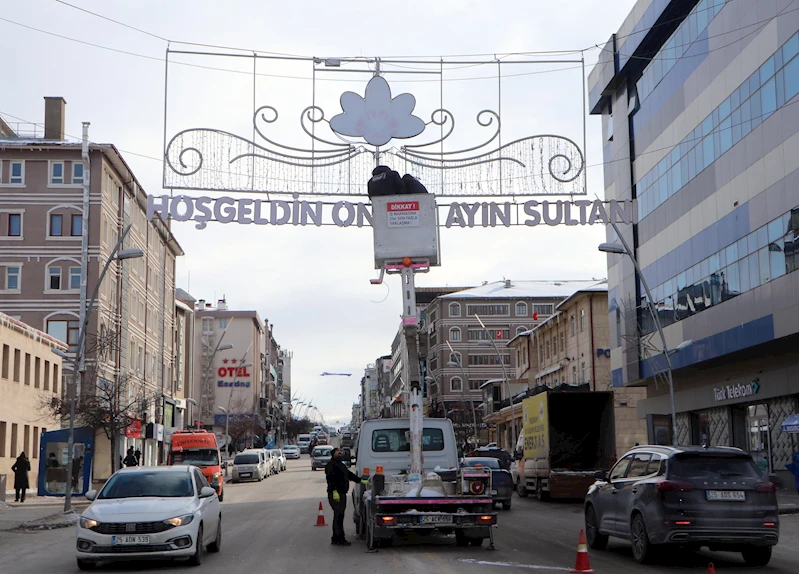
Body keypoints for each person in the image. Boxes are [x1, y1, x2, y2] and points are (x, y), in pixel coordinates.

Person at [325, 447, 367, 546]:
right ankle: (339, 538)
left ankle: (336, 537)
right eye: (337, 451)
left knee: (339, 516)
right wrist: (334, 491)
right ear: (333, 454)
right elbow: (330, 479)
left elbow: (349, 475)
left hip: (342, 494)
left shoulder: (341, 465)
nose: (340, 452)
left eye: (340, 451)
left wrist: (360, 480)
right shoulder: (331, 465)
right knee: (338, 515)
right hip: (336, 494)